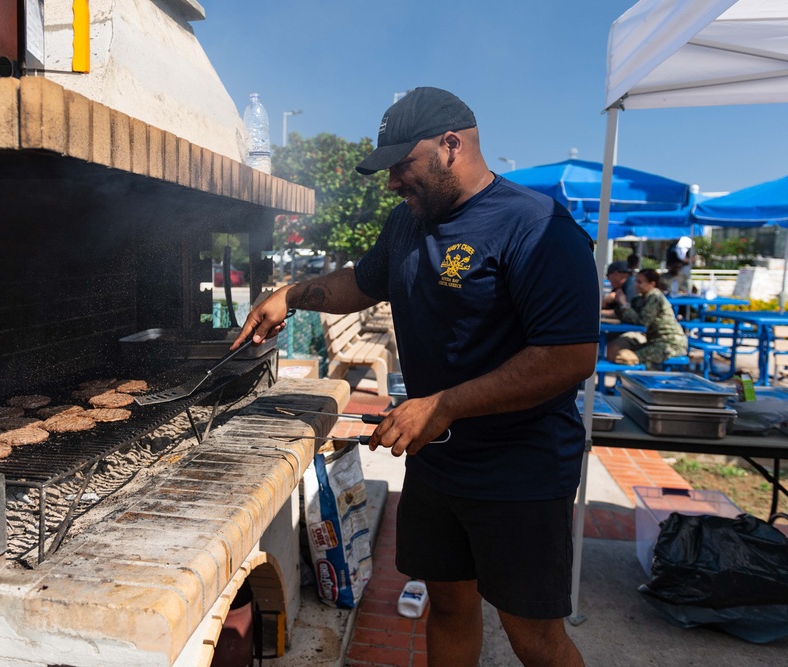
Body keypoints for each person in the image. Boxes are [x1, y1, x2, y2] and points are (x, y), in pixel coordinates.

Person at [232, 87, 598, 666]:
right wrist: (291, 294)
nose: (392, 182)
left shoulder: (537, 227)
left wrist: (444, 404)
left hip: (520, 470)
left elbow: (569, 355)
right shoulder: (408, 223)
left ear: (451, 145)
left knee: (534, 638)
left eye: (402, 165)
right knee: (448, 606)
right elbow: (365, 282)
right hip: (437, 461)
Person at [605, 268, 688, 367]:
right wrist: (615, 302)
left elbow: (642, 321)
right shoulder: (642, 298)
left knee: (624, 357)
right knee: (615, 350)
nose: (636, 285)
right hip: (655, 341)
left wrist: (624, 304)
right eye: (636, 281)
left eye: (639, 282)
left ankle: (638, 380)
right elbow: (627, 315)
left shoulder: (655, 297)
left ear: (652, 284)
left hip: (670, 345)